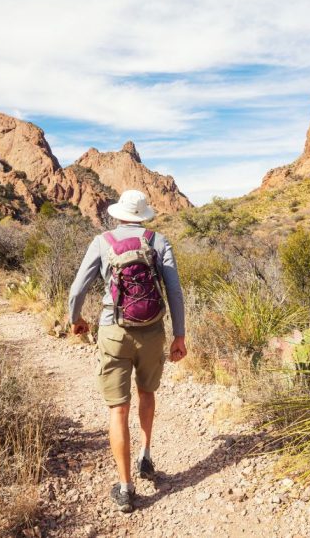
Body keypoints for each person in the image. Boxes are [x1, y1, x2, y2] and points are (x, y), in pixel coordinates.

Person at [68, 189, 187, 513]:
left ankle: (125, 488)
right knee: (147, 392)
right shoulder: (158, 241)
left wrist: (75, 319)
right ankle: (145, 455)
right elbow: (174, 291)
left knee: (118, 409)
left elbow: (78, 288)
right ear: (144, 215)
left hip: (113, 332)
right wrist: (179, 335)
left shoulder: (102, 241)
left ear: (118, 214)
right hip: (151, 332)